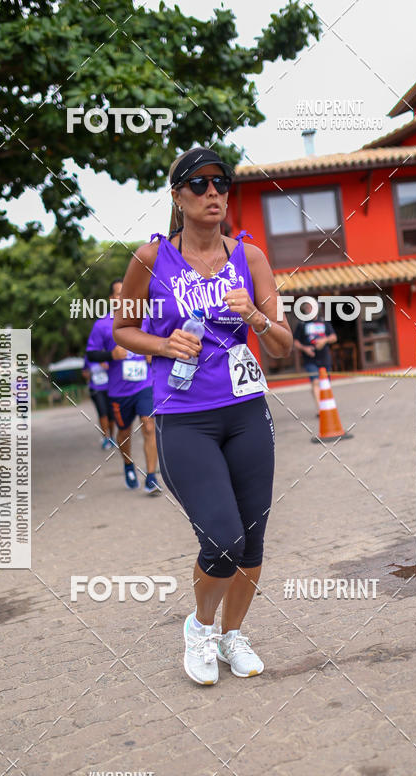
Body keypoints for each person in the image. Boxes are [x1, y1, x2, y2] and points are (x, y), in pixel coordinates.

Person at [113, 146, 293, 685]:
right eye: (199, 184)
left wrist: (255, 316)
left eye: (221, 183)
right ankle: (201, 628)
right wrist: (163, 344)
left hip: (246, 412)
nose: (213, 193)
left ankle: (232, 635)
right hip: (184, 417)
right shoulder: (151, 258)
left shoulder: (250, 257)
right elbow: (124, 330)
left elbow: (282, 344)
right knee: (222, 540)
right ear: (178, 196)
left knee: (253, 541)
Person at [86, 279, 160, 494]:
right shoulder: (102, 325)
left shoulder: (144, 319)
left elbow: (159, 342)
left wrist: (153, 352)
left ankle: (152, 477)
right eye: (119, 293)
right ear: (112, 299)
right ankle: (128, 464)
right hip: (119, 391)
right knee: (124, 432)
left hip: (144, 385)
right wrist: (111, 355)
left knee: (149, 426)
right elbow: (91, 354)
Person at [293, 304, 337, 415]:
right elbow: (295, 342)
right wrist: (305, 348)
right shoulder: (302, 324)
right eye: (307, 308)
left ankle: (327, 406)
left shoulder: (324, 322)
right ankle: (321, 410)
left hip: (324, 358)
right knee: (316, 381)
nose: (309, 310)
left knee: (325, 384)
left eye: (311, 307)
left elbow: (334, 337)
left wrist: (324, 340)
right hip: (310, 359)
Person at [81, 354, 115, 450]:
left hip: (110, 388)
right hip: (96, 390)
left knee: (111, 416)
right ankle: (105, 438)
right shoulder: (89, 356)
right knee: (102, 413)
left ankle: (112, 437)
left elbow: (116, 369)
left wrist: (107, 367)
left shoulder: (110, 353)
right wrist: (87, 374)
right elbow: (84, 371)